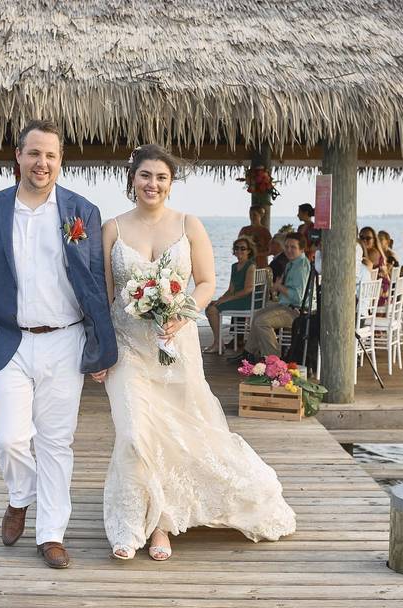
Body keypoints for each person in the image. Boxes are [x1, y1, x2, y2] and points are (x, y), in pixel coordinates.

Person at [99, 144, 296, 561]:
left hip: (177, 345)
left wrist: (182, 313)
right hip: (128, 346)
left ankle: (162, 526)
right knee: (136, 433)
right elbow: (106, 295)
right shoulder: (112, 228)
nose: (153, 184)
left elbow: (206, 282)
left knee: (176, 436)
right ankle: (131, 521)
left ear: (171, 184)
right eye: (145, 175)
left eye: (162, 177)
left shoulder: (189, 224)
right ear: (131, 179)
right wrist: (97, 351)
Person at [0, 120, 117, 570]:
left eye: (50, 155)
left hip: (65, 341)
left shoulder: (81, 211)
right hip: (7, 339)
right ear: (18, 156)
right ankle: (20, 497)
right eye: (33, 154)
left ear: (60, 160)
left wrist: (102, 349)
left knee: (56, 443)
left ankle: (51, 533)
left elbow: (95, 286)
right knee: (9, 438)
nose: (41, 163)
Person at [244, 234, 311, 359]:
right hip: (286, 305)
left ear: (301, 249)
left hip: (297, 311)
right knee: (258, 315)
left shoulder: (300, 267)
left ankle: (273, 359)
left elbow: (297, 297)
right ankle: (249, 353)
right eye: (286, 246)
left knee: (261, 322)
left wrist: (279, 287)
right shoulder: (293, 263)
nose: (289, 250)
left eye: (293, 247)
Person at [203, 235, 257, 353]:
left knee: (212, 310)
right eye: (236, 248)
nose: (239, 251)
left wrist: (225, 301)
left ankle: (218, 344)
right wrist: (220, 299)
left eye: (243, 248)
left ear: (249, 251)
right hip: (239, 299)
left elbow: (248, 289)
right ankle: (218, 342)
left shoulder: (251, 266)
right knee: (210, 307)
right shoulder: (234, 266)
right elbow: (231, 289)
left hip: (247, 300)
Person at [359, 226, 391, 307]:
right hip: (373, 291)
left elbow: (367, 266)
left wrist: (362, 247)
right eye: (361, 238)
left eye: (368, 238)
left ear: (374, 240)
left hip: (377, 294)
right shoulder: (370, 251)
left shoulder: (373, 252)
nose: (364, 240)